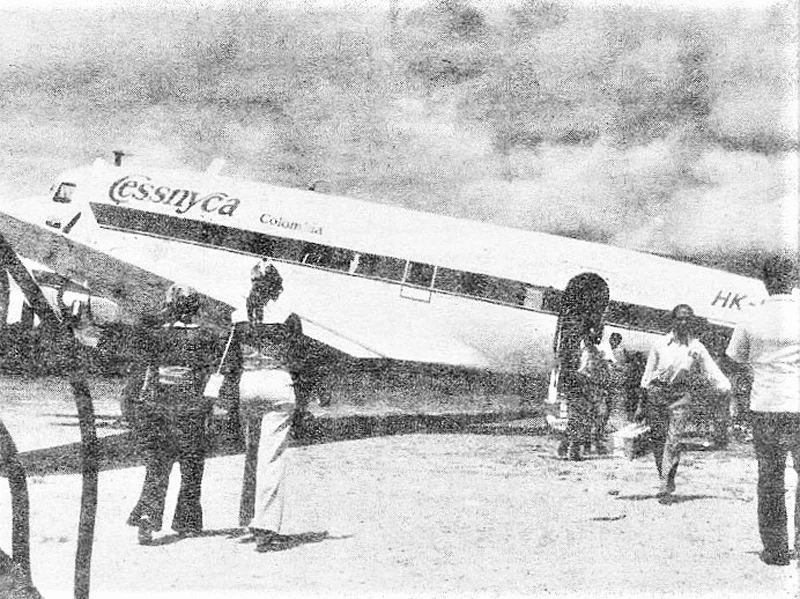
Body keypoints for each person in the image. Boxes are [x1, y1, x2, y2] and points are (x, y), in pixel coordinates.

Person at [222, 261, 311, 552]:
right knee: (271, 458)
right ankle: (265, 525)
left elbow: (230, 362)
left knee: (252, 454)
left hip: (248, 384)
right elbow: (299, 362)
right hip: (278, 384)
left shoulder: (238, 318)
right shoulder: (288, 317)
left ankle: (247, 517)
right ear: (276, 287)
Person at [127, 285, 221, 544]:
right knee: (192, 466)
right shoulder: (207, 335)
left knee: (157, 464)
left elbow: (146, 365)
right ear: (196, 306)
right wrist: (209, 407)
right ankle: (187, 520)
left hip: (159, 404)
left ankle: (147, 516)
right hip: (191, 404)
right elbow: (211, 374)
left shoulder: (158, 334)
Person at [725, 253, 799, 566]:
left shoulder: (750, 317)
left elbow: (736, 357)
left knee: (769, 479)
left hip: (765, 406)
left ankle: (776, 550)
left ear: (765, 282)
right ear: (794, 280)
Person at [636, 304, 731, 499]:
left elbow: (711, 369)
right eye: (679, 318)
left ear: (691, 322)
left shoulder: (697, 347)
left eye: (687, 318)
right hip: (657, 394)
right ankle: (664, 475)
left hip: (680, 397)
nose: (683, 322)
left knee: (674, 440)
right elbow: (647, 376)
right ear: (673, 321)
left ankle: (666, 481)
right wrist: (641, 404)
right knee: (659, 439)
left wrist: (725, 387)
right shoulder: (659, 344)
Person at [577, 326, 612, 455]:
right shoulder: (588, 352)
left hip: (596, 387)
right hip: (589, 387)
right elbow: (582, 370)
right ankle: (588, 445)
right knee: (590, 416)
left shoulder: (596, 351)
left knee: (599, 415)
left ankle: (595, 443)